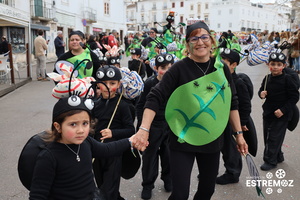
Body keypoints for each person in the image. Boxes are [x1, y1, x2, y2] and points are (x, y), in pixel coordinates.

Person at [131, 21, 248, 200]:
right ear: (187, 44)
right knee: (179, 194)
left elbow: (232, 102)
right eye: (194, 38)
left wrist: (239, 134)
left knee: (207, 190)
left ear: (212, 41)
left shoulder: (221, 68)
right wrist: (143, 129)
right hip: (182, 138)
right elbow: (154, 97)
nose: (200, 42)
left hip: (211, 137)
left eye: (204, 37)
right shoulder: (178, 69)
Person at [29, 95, 135, 200]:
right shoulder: (48, 157)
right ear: (58, 127)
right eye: (73, 124)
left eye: (85, 123)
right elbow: (37, 196)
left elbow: (106, 149)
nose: (81, 130)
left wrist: (131, 141)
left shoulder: (86, 142)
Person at [92, 65, 135, 200]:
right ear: (98, 85)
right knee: (100, 183)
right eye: (104, 84)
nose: (108, 87)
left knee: (109, 187)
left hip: (114, 152)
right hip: (97, 149)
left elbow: (130, 130)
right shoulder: (94, 105)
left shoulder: (122, 106)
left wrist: (113, 133)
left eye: (112, 83)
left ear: (119, 84)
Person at [136, 53, 174, 199]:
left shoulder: (176, 83)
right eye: (163, 68)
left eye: (170, 68)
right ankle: (147, 184)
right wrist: (140, 126)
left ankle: (168, 179)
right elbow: (140, 106)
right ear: (156, 68)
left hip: (170, 125)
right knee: (149, 157)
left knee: (169, 155)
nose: (167, 71)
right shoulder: (150, 83)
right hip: (153, 126)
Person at [258, 52, 299, 171]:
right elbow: (261, 90)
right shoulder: (267, 78)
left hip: (282, 114)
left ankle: (270, 160)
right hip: (268, 113)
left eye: (279, 64)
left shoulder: (287, 79)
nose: (275, 67)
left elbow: (294, 97)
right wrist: (261, 94)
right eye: (273, 64)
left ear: (284, 66)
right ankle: (278, 155)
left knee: (274, 137)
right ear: (268, 65)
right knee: (268, 136)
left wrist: (283, 110)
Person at [216, 49, 252, 184]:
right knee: (221, 147)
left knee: (231, 149)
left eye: (224, 61)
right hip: (220, 121)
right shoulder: (219, 79)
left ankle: (233, 173)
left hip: (232, 123)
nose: (220, 63)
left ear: (233, 65)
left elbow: (245, 106)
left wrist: (241, 124)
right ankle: (211, 170)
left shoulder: (238, 83)